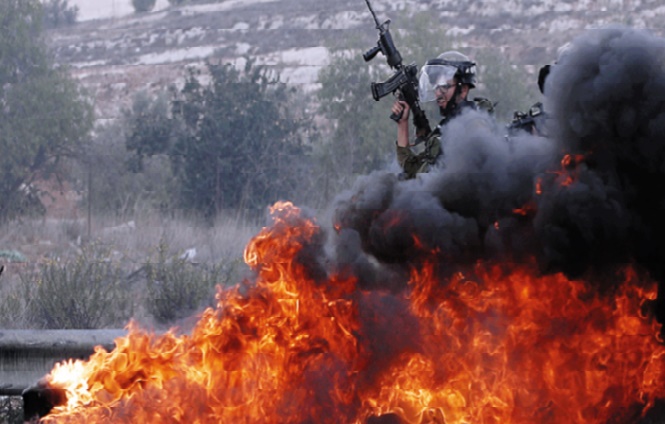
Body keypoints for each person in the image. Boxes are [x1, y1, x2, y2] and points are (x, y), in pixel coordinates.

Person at [392, 50, 494, 180]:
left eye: (444, 87)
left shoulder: (474, 126)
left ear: (463, 90)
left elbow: (466, 183)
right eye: (436, 88)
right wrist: (403, 124)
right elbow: (412, 169)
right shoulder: (447, 128)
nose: (438, 94)